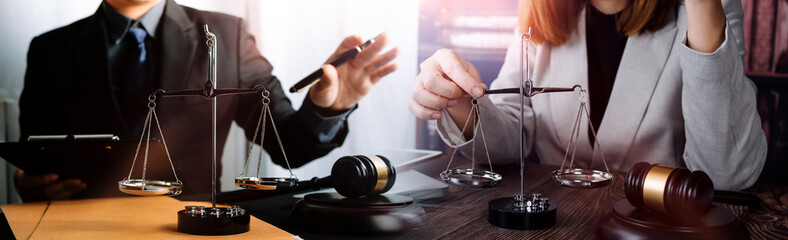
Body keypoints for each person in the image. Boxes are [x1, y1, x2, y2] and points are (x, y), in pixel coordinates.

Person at [15, 0, 398, 201]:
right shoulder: (50, 49)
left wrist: (327, 107)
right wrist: (29, 185)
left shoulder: (227, 35)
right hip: (83, 224)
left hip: (191, 223)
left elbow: (289, 147)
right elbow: (35, 155)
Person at [410, 0, 766, 190]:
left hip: (657, 224)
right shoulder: (541, 10)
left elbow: (727, 174)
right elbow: (506, 137)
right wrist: (456, 100)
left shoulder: (702, 8)